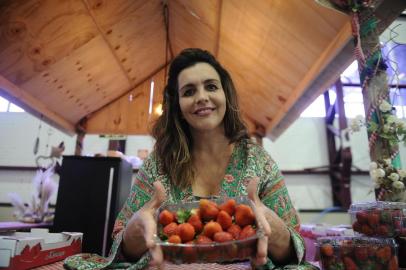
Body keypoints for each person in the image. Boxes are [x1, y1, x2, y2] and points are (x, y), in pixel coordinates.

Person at [64, 48, 318, 269]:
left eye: (211, 86)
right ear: (177, 106)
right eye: (188, 91)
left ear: (225, 95)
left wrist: (273, 230)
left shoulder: (258, 162)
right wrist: (134, 234)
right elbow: (120, 248)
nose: (201, 97)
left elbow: (296, 252)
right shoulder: (158, 164)